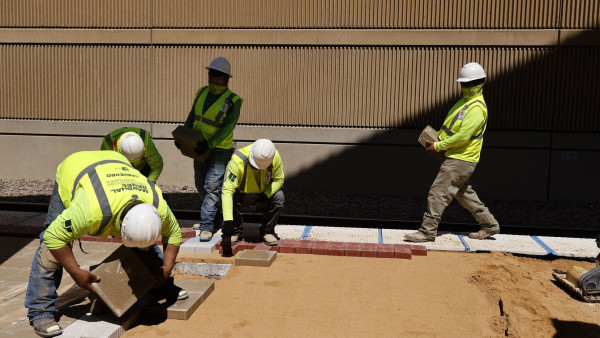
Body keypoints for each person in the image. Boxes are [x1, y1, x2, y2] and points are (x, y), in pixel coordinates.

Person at [24, 151, 183, 337]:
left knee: (144, 247)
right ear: (120, 226)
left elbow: (174, 234)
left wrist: (166, 267)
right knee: (50, 252)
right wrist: (76, 272)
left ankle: (159, 283)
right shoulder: (90, 210)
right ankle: (40, 311)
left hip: (115, 164)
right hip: (74, 169)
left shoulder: (159, 207)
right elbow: (53, 237)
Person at [405, 62, 500, 243]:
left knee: (438, 192)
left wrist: (438, 146)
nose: (464, 86)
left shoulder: (477, 108)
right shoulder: (465, 103)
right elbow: (451, 128)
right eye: (462, 83)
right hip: (456, 157)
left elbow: (463, 137)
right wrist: (437, 142)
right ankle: (489, 225)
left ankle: (427, 231)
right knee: (463, 193)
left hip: (461, 159)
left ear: (478, 83)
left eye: (466, 83)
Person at [181, 57, 243, 242]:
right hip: (199, 146)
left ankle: (207, 226)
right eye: (212, 75)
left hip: (220, 150)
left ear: (227, 79)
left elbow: (227, 128)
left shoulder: (234, 100)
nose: (215, 80)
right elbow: (193, 115)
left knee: (212, 186)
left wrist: (209, 143)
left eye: (219, 77)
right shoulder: (201, 92)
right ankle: (216, 218)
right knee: (200, 184)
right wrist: (184, 136)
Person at [221, 139, 284, 246]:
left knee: (278, 198)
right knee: (230, 199)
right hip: (241, 191)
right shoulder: (237, 160)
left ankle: (267, 231)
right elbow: (227, 191)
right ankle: (236, 231)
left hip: (264, 192)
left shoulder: (274, 156)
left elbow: (279, 179)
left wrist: (265, 195)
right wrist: (227, 220)